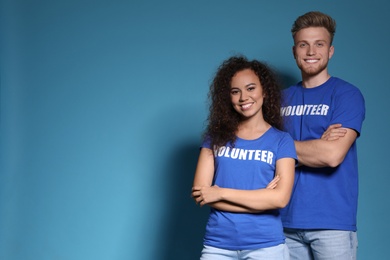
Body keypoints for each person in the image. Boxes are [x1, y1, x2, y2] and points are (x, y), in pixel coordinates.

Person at [191, 56, 297, 259]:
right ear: (227, 97)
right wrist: (260, 198)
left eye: (250, 88)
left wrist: (220, 192)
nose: (243, 97)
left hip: (266, 245)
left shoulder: (282, 141)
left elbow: (280, 198)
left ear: (264, 91)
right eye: (235, 91)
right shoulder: (214, 137)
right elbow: (202, 194)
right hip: (218, 244)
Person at [280, 11, 366, 260]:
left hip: (332, 224)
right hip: (284, 221)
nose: (310, 51)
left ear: (330, 51)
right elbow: (265, 153)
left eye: (319, 44)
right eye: (303, 44)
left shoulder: (346, 95)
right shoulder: (279, 100)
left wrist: (282, 148)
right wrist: (314, 146)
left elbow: (331, 155)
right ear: (294, 51)